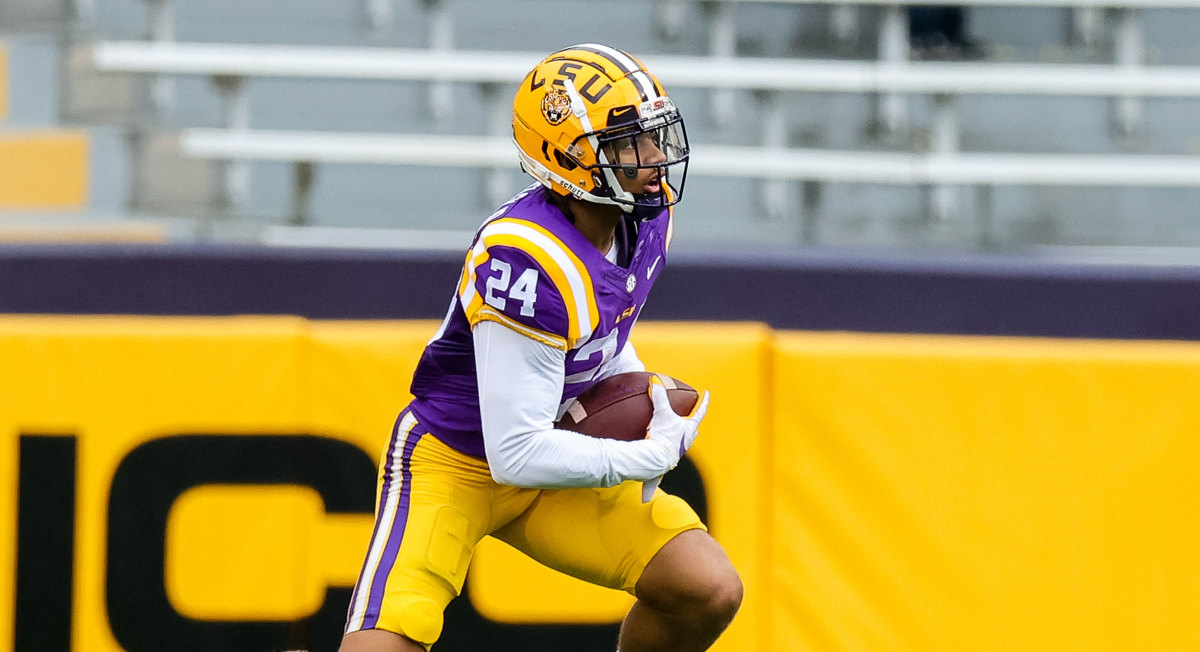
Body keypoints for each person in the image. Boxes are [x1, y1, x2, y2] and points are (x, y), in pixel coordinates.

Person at [338, 44, 743, 652]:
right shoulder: (526, 257)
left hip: (555, 448)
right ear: (569, 160)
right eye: (630, 143)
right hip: (455, 460)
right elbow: (513, 451)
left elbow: (601, 336)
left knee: (706, 588)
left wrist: (645, 394)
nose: (656, 157)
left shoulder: (643, 218)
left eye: (655, 135)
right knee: (387, 643)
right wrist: (643, 456)